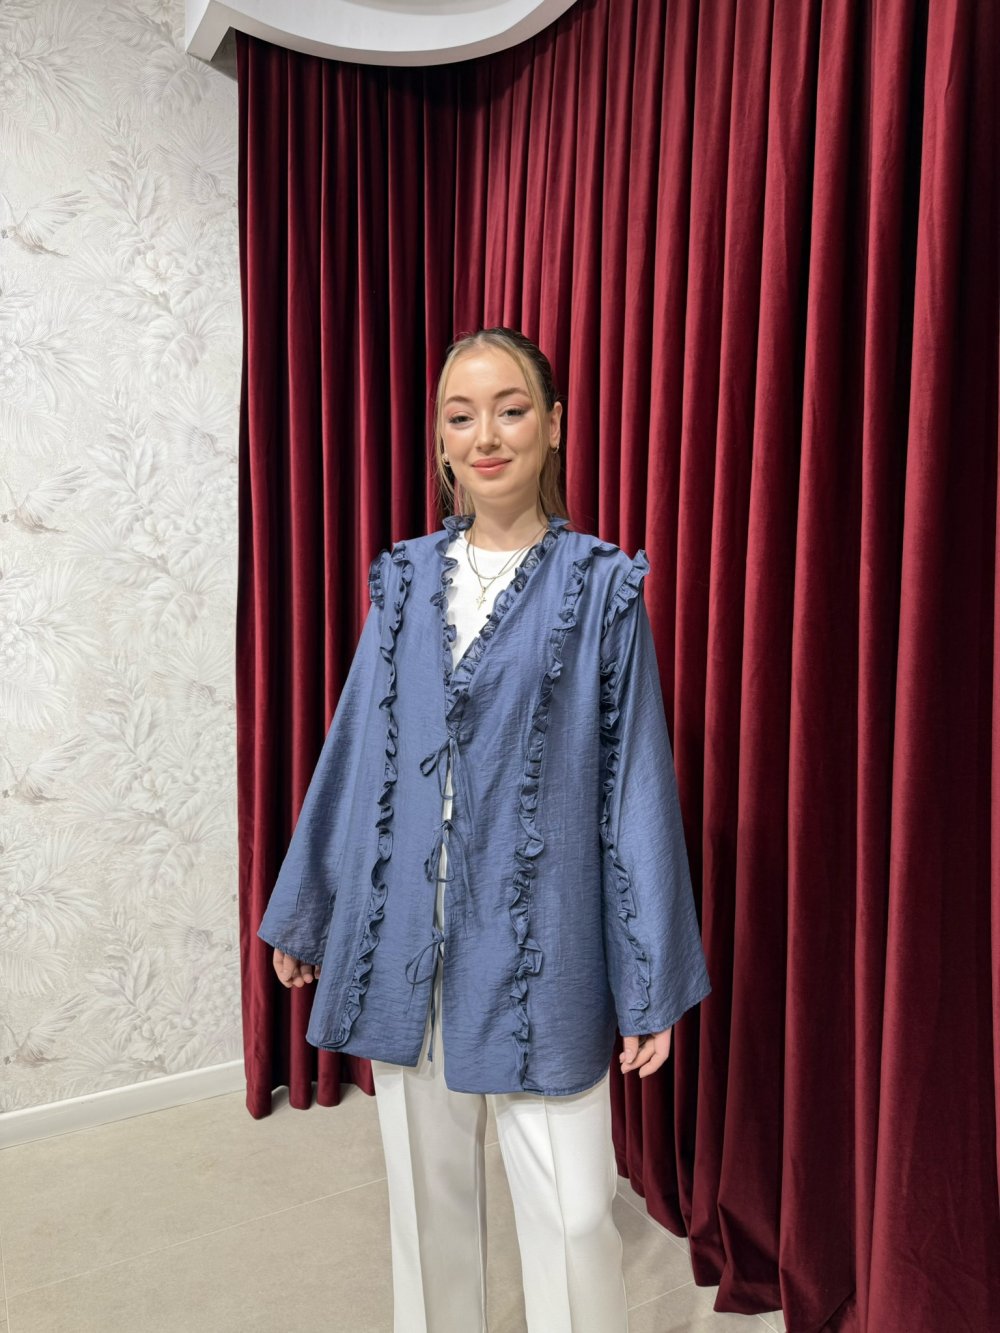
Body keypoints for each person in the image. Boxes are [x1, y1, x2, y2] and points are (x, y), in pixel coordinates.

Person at [257, 326, 712, 1333]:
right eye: (460, 417)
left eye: (510, 409)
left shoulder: (601, 587)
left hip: (543, 946)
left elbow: (635, 785)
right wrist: (310, 907)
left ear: (554, 425)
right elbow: (358, 748)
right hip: (404, 938)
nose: (486, 436)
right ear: (440, 442)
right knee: (429, 1206)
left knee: (576, 1214)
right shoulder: (403, 580)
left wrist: (650, 975)